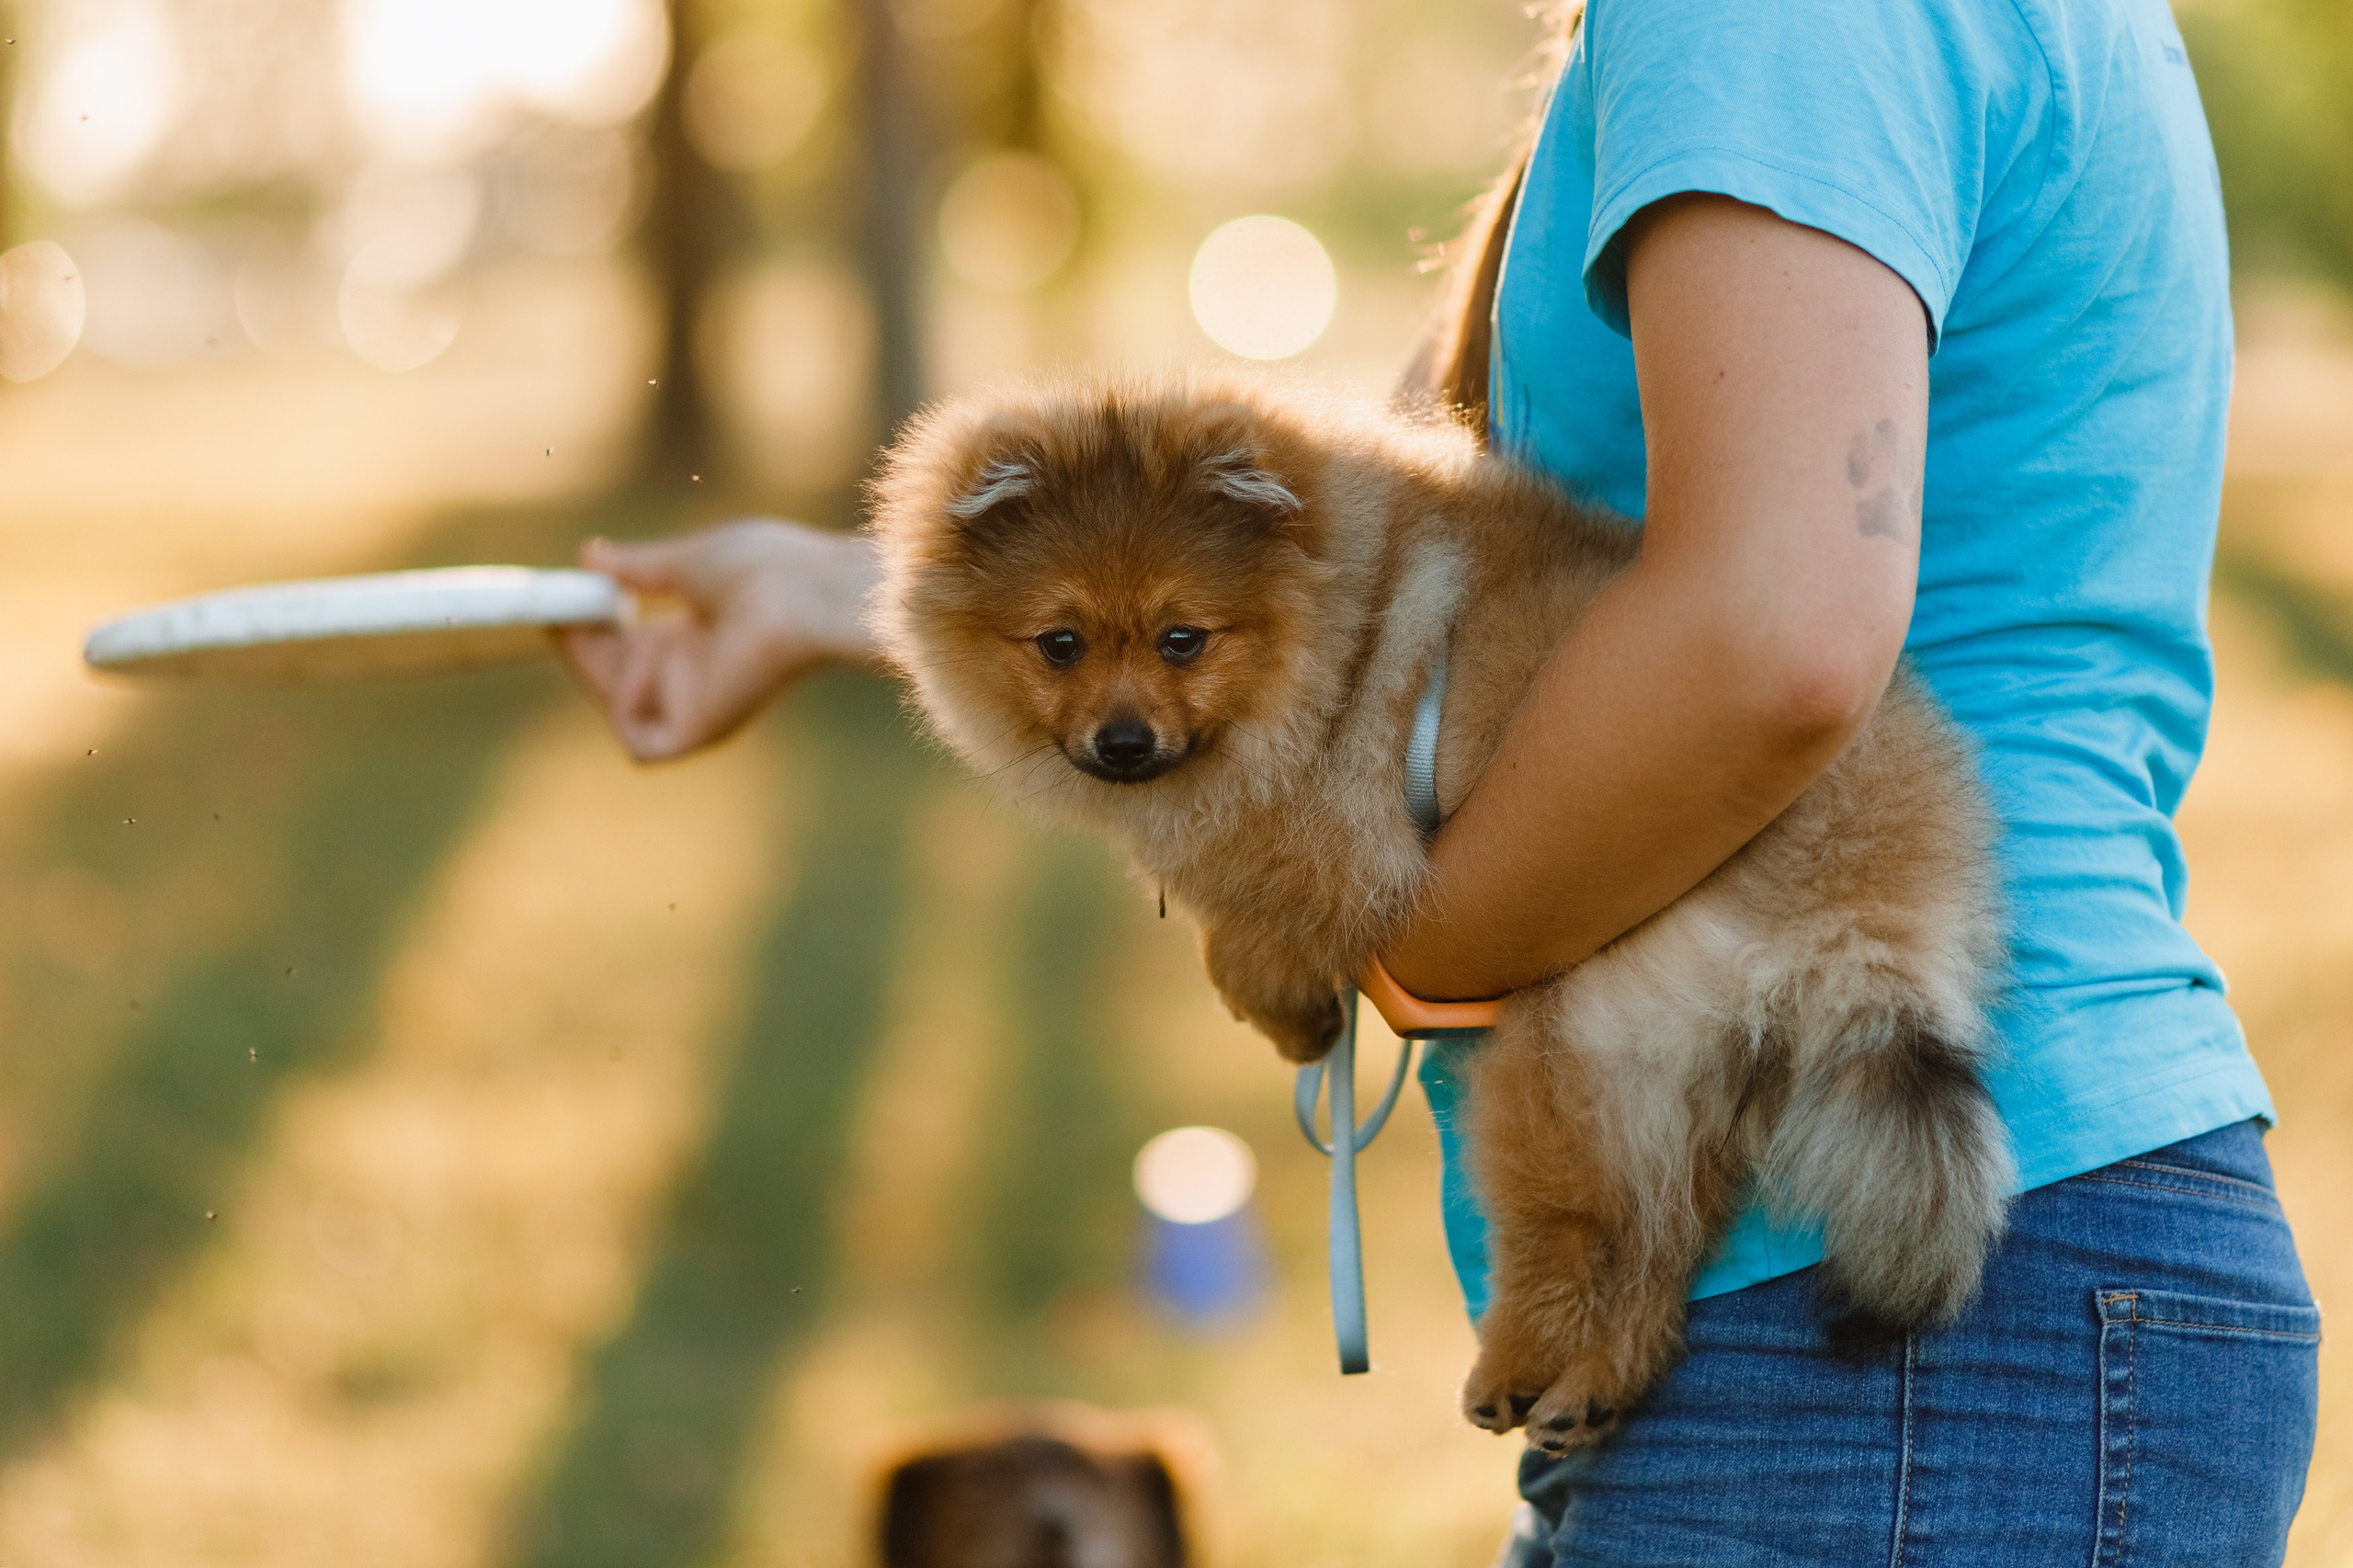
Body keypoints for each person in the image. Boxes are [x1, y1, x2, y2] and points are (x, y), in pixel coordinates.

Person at [567, 0, 2321, 1556]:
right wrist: (844, 592)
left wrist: (1392, 944)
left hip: (1894, 1279)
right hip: (1873, 1286)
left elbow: (1775, 636)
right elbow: (1368, 551)